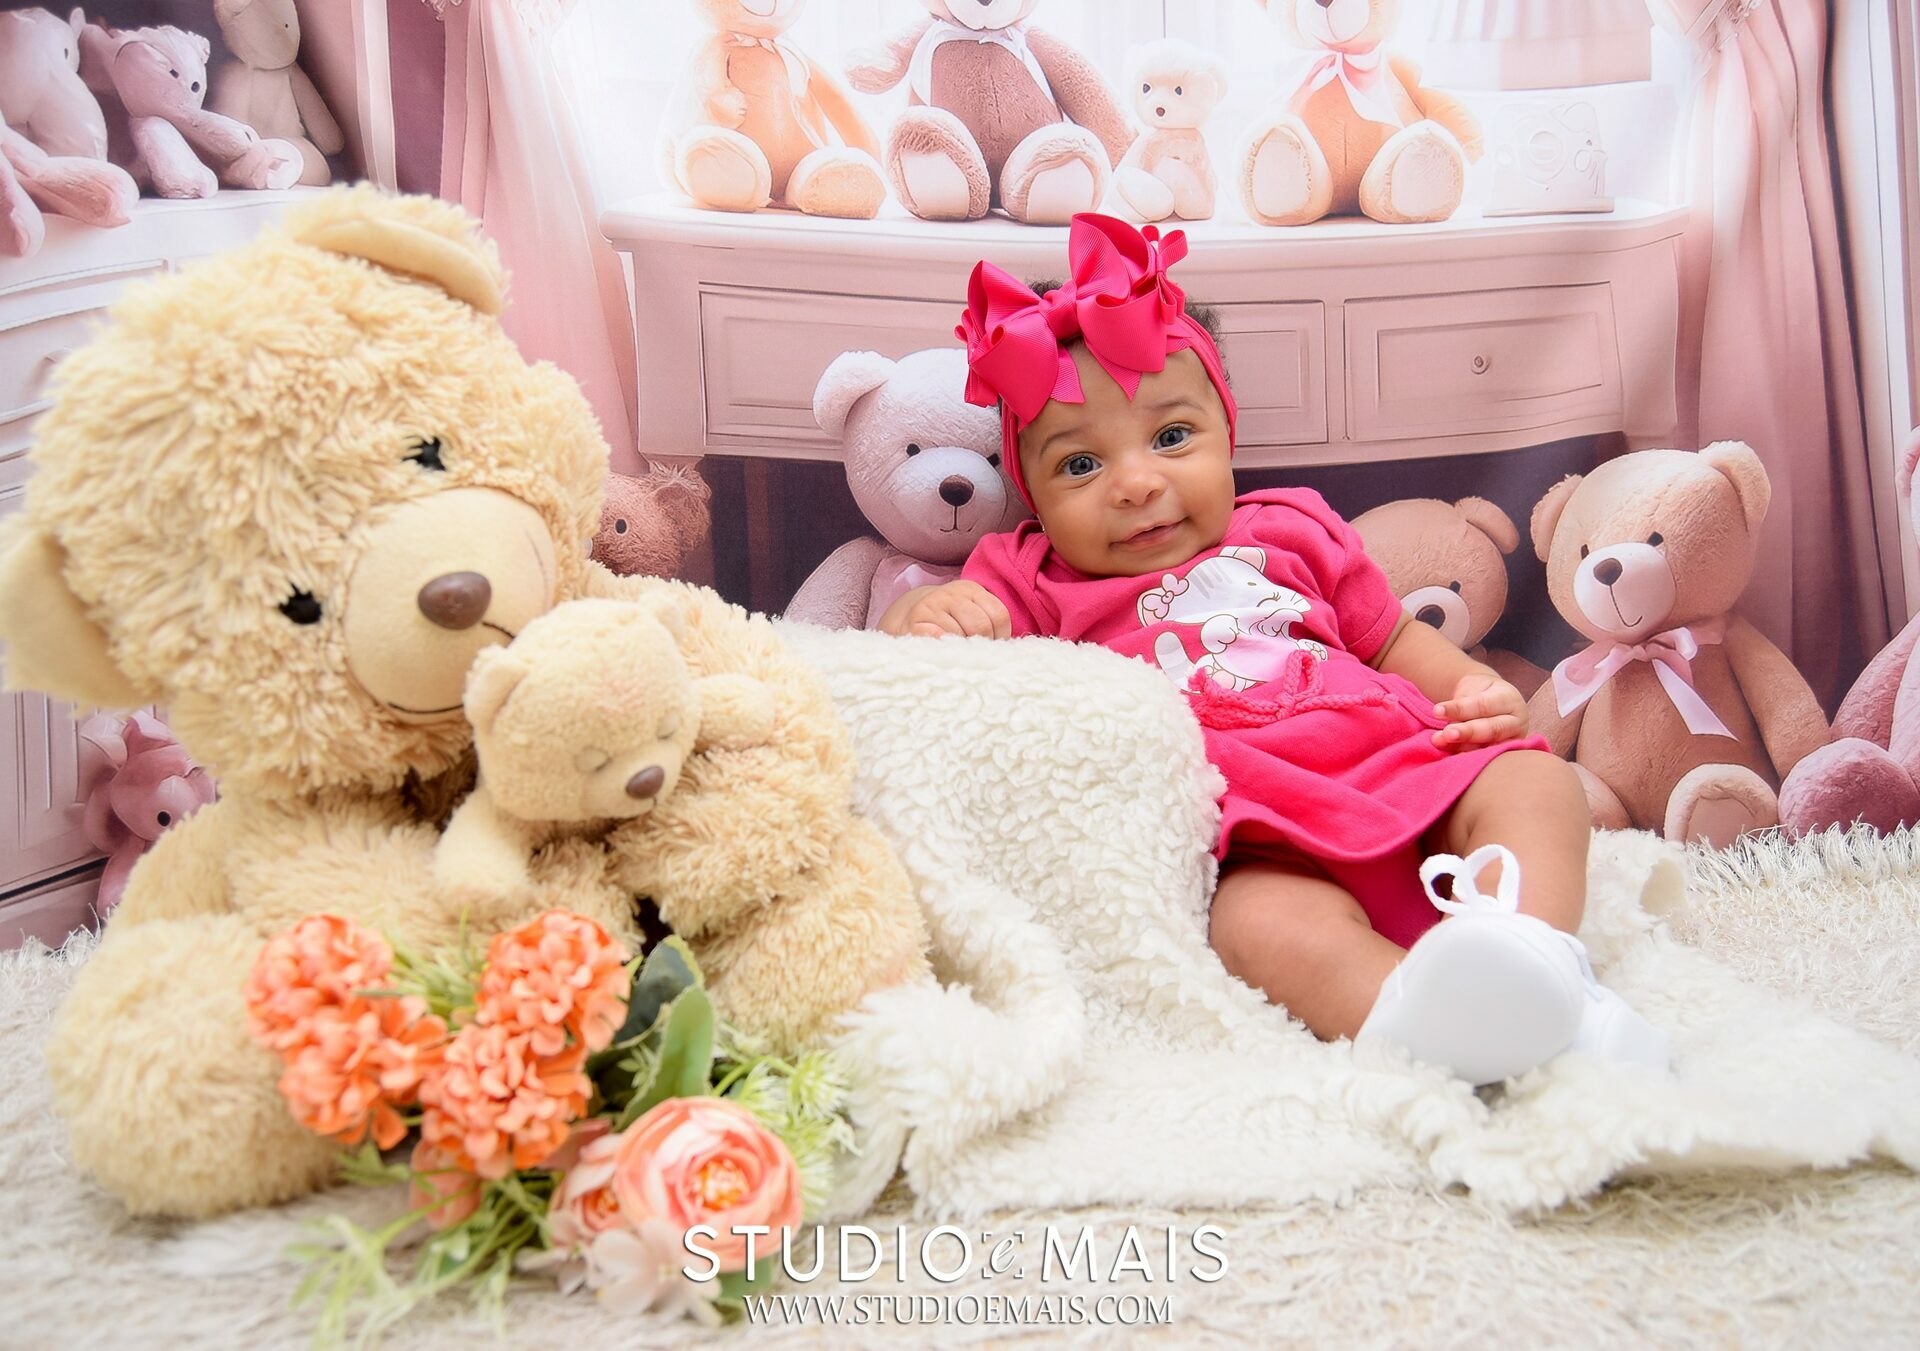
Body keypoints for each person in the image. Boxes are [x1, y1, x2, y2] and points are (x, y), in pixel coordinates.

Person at [879, 214, 1667, 1086]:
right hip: (1261, 841)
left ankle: (1536, 959)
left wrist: (1473, 689)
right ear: (1029, 492)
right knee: (1255, 930)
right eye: (1079, 466)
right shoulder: (1027, 574)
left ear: (1227, 430)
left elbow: (1392, 638)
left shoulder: (1289, 527)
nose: (1136, 482)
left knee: (1535, 782)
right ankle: (1433, 1022)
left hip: (1411, 775)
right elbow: (933, 670)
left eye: (1170, 438)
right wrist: (928, 612)